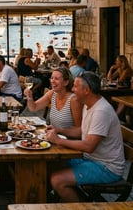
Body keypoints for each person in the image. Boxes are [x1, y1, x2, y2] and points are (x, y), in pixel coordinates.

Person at [46, 72, 125, 202]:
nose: (72, 89)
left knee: (57, 180)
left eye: (76, 86)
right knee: (50, 165)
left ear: (87, 90)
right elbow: (82, 131)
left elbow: (89, 146)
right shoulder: (88, 104)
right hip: (90, 160)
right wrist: (59, 130)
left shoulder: (101, 111)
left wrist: (59, 140)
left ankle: (84, 206)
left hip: (107, 168)